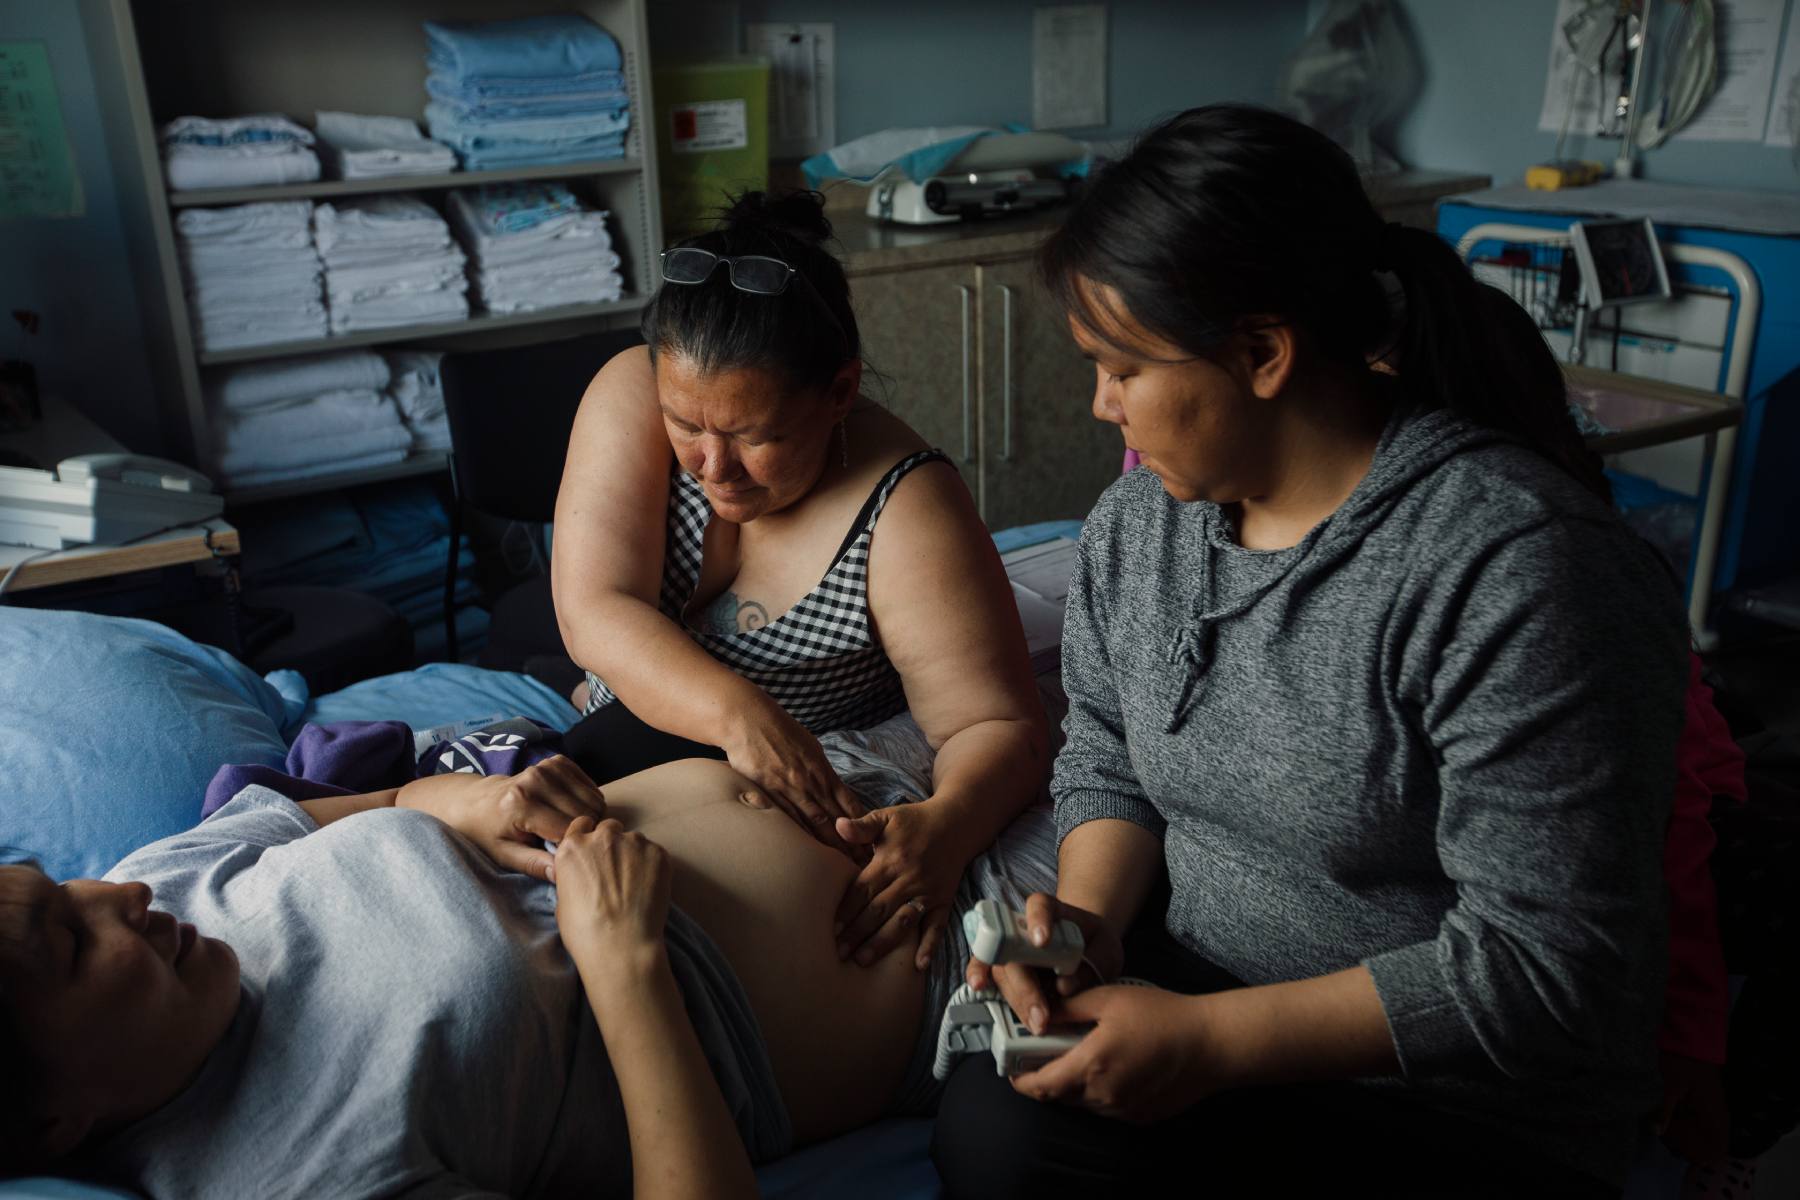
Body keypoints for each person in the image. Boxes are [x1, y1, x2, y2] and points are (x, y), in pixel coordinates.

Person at [929, 104, 1689, 1197]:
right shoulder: (1145, 525)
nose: (1102, 407)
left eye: (1121, 367)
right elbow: (1109, 753)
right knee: (999, 1119)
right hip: (1211, 997)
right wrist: (1084, 934)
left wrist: (1212, 1046)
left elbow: (1546, 967)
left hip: (1455, 1097)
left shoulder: (1516, 569)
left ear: (1261, 352)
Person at [0, 729, 1059, 1198]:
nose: (119, 897)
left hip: (867, 781)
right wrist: (627, 968)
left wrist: (470, 802)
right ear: (56, 1122)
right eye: (72, 943)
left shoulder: (167, 885)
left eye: (65, 887)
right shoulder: (299, 1177)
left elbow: (357, 806)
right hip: (967, 962)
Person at [551, 189, 1047, 969]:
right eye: (687, 426)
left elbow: (998, 728)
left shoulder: (907, 509)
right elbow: (591, 612)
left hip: (749, 794)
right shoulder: (633, 389)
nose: (713, 468)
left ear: (840, 393)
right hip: (624, 736)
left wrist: (946, 826)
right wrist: (742, 715)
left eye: (756, 436)